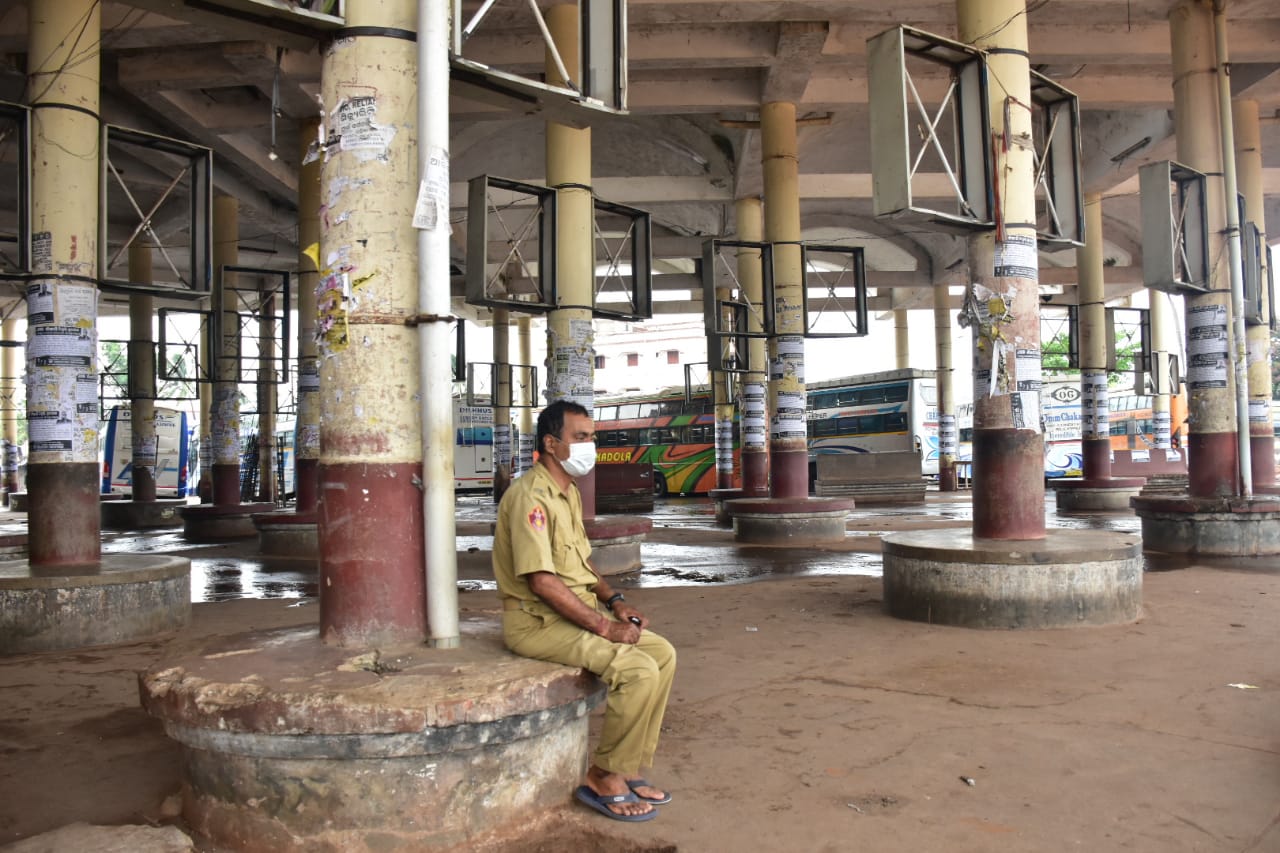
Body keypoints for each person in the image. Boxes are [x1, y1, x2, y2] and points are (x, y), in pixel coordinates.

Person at [493, 400, 676, 822]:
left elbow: (582, 563)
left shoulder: (568, 492)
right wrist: (605, 629)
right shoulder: (530, 498)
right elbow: (542, 582)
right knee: (637, 670)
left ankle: (627, 765)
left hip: (576, 614)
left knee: (663, 654)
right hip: (537, 623)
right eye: (580, 437)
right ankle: (603, 775)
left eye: (592, 437)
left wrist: (615, 602)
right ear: (551, 444)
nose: (589, 446)